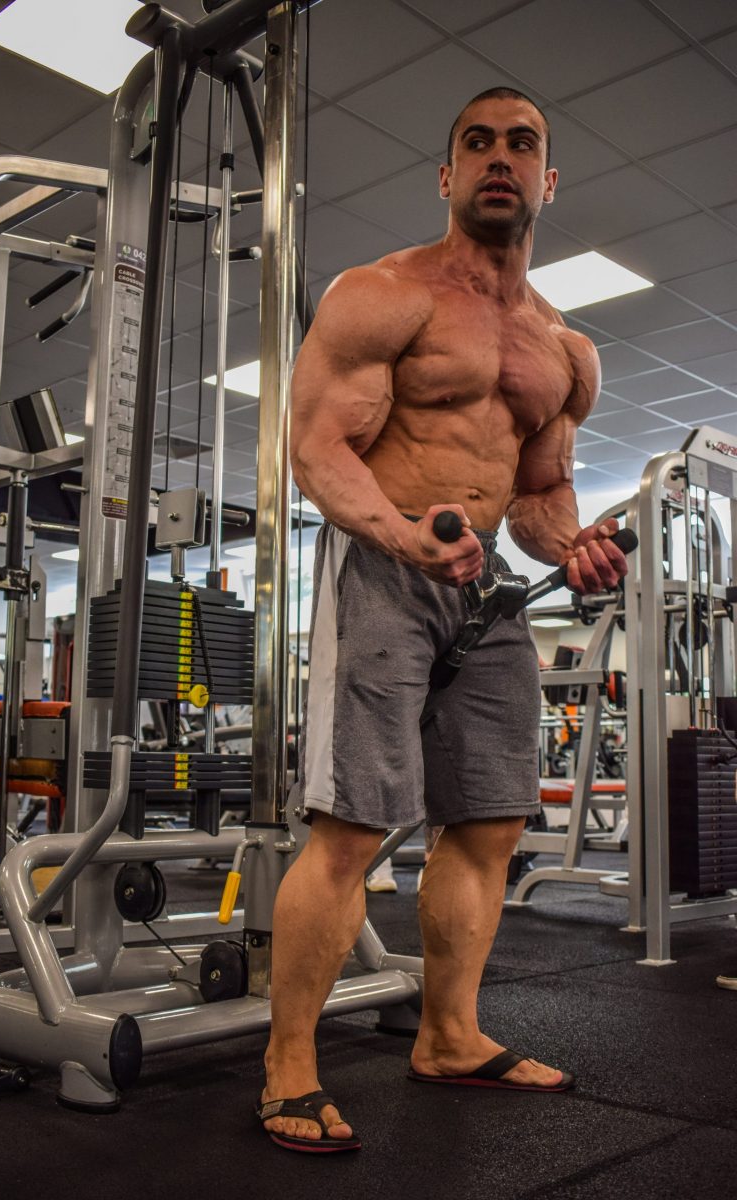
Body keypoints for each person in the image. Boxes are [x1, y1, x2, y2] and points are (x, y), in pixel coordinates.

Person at [256, 86, 629, 1153]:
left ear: (548, 180)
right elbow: (316, 450)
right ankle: (288, 1066)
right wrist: (400, 531)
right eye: (477, 142)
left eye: (521, 144)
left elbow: (540, 496)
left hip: (486, 589)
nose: (498, 158)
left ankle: (450, 1035)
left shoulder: (565, 351)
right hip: (382, 565)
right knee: (353, 825)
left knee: (492, 821)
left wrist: (572, 546)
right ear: (446, 174)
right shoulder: (383, 296)